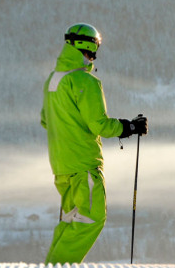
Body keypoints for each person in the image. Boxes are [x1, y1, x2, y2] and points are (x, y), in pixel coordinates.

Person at [40, 23, 148, 264]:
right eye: (96, 46)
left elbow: (45, 120)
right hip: (84, 165)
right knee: (92, 218)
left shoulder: (53, 81)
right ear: (89, 45)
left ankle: (53, 264)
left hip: (61, 168)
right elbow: (99, 125)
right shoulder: (86, 82)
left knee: (71, 220)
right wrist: (129, 127)